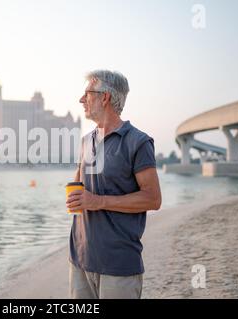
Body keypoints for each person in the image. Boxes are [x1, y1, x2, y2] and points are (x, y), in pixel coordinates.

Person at [66, 70, 162, 299]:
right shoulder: (85, 142)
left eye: (87, 94)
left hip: (119, 266)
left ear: (105, 98)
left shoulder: (138, 142)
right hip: (79, 259)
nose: (82, 100)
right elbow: (81, 187)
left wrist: (98, 201)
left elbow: (153, 199)